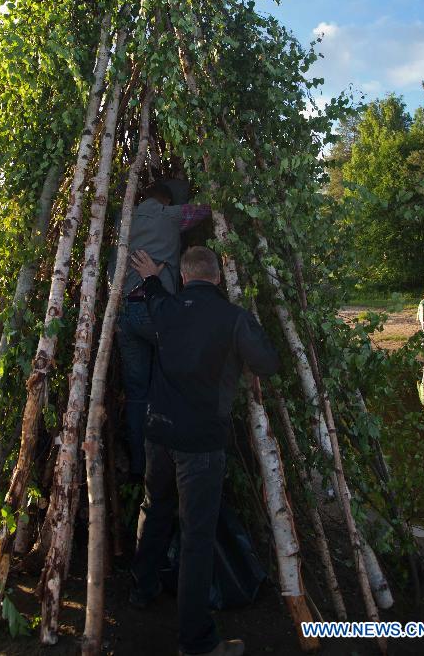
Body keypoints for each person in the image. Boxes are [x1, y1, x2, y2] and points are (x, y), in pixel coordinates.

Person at [128, 245, 280, 656]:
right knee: (196, 535)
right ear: (217, 277)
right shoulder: (233, 319)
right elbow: (267, 363)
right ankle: (195, 641)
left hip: (158, 433)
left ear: (184, 276)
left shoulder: (167, 308)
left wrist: (150, 275)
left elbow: (156, 296)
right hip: (201, 444)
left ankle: (142, 589)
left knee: (154, 507)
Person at [115, 182, 210, 479]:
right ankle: (170, 467)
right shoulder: (170, 215)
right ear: (165, 199)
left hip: (125, 314)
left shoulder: (124, 218)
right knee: (173, 385)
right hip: (155, 311)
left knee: (137, 394)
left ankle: (139, 467)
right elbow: (205, 209)